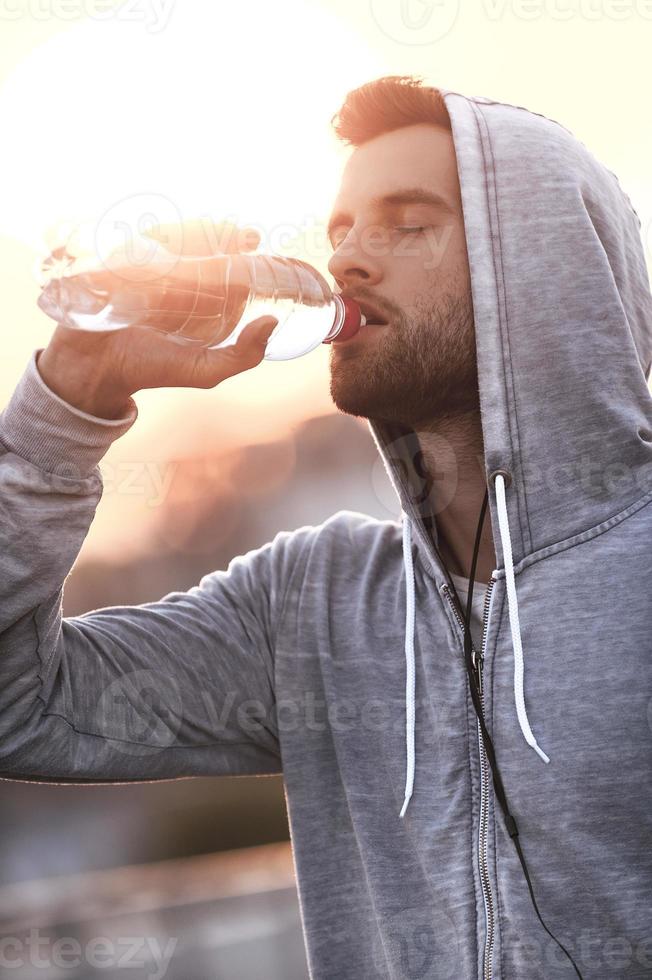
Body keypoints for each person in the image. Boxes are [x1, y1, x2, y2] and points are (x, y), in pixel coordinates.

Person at [1, 75, 651, 979]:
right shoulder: (312, 603)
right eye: (341, 230)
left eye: (406, 223)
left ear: (539, 266)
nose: (347, 260)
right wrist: (69, 402)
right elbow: (16, 706)